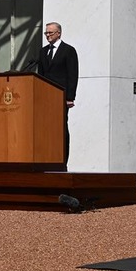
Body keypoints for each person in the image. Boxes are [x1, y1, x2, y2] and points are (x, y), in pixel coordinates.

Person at [37, 21, 78, 164]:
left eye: (50, 33)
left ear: (58, 33)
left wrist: (70, 97)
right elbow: (40, 75)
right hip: (46, 97)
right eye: (46, 33)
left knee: (61, 127)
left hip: (61, 96)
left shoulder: (68, 50)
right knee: (46, 127)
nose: (47, 35)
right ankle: (49, 157)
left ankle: (63, 159)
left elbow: (73, 75)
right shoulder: (43, 51)